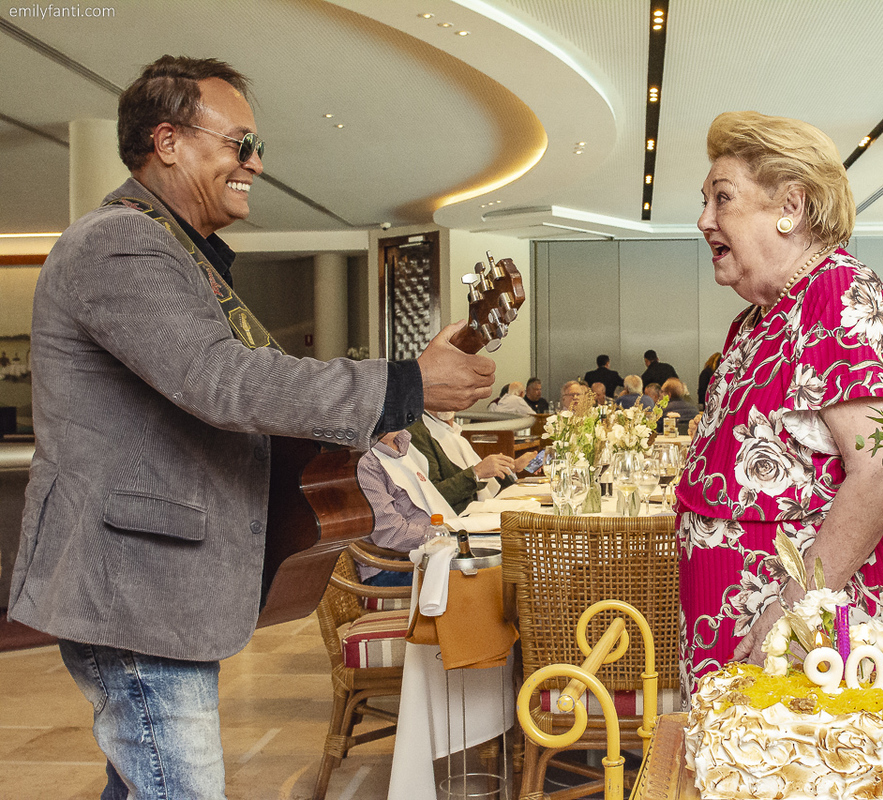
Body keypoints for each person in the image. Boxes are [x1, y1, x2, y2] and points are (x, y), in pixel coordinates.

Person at [5, 56, 495, 799]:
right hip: (133, 589)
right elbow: (223, 382)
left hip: (155, 590)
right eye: (239, 143)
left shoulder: (181, 254)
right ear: (167, 142)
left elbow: (249, 390)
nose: (255, 164)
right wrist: (406, 382)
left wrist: (403, 392)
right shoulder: (119, 243)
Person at [675, 110, 883, 698]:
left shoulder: (837, 291)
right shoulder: (757, 321)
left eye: (722, 199)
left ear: (790, 206)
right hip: (760, 640)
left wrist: (798, 611)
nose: (703, 220)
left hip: (819, 643)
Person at [407, 410, 535, 514]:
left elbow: (489, 482)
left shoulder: (455, 434)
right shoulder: (419, 433)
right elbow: (433, 496)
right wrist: (476, 472)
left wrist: (513, 467)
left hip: (481, 513)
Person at [355, 430, 440, 586]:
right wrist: (440, 536)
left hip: (424, 551)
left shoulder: (402, 443)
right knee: (474, 577)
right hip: (388, 567)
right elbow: (391, 533)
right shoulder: (364, 462)